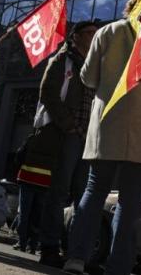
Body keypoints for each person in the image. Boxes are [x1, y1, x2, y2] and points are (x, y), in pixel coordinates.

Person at [63, 0, 141, 275]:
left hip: (107, 123)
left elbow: (88, 77)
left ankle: (76, 256)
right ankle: (118, 266)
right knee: (130, 202)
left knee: (94, 191)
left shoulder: (107, 32)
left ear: (128, 8)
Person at [36, 20, 98, 267]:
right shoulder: (63, 59)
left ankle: (72, 250)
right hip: (68, 134)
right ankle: (49, 247)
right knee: (59, 191)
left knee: (81, 195)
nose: (94, 37)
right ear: (77, 36)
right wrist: (68, 123)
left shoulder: (94, 63)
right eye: (90, 33)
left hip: (87, 137)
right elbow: (48, 92)